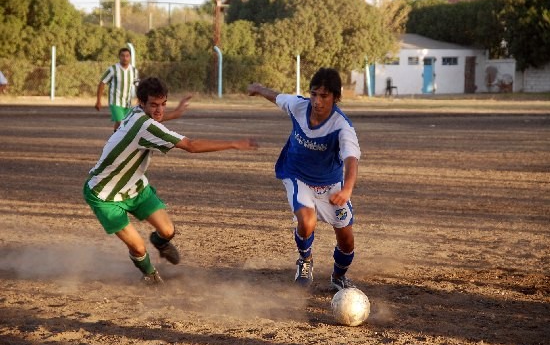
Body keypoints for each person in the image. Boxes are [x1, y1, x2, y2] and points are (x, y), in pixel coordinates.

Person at [84, 77, 258, 285]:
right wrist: (233, 144)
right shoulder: (146, 126)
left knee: (168, 231)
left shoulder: (135, 112)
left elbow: (145, 123)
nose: (159, 110)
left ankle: (159, 242)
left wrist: (176, 113)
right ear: (142, 103)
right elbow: (191, 145)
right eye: (154, 105)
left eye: (163, 104)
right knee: (138, 248)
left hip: (135, 187)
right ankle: (150, 275)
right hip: (105, 195)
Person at [247, 68, 361, 291]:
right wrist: (258, 89)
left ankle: (338, 277)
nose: (317, 101)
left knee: (347, 242)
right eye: (314, 94)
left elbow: (351, 160)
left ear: (336, 98)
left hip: (331, 185)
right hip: (296, 175)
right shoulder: (299, 106)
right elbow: (277, 97)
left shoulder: (342, 126)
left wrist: (346, 190)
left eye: (324, 96)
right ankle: (305, 259)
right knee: (307, 222)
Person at [95, 47, 138, 130]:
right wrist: (98, 100)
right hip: (115, 102)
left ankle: (114, 141)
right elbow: (102, 83)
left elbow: (138, 85)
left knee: (120, 125)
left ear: (130, 57)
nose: (125, 58)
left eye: (127, 56)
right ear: (119, 57)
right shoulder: (113, 69)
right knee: (123, 123)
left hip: (127, 103)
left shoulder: (133, 71)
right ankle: (120, 142)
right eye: (122, 56)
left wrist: (140, 98)